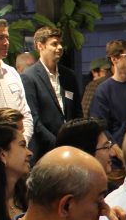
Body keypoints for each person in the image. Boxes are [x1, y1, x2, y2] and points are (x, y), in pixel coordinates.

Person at [21, 26, 82, 160]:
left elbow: (77, 113)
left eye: (61, 43)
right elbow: (34, 120)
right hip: (44, 152)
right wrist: (57, 144)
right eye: (54, 44)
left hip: (71, 150)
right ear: (40, 46)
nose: (60, 47)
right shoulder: (29, 77)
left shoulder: (69, 76)